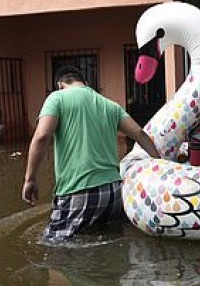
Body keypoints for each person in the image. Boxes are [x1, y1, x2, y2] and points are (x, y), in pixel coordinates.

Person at [22, 66, 160, 241]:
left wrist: (30, 179)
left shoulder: (56, 98)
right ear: (85, 83)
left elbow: (42, 137)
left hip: (78, 191)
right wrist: (159, 163)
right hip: (114, 194)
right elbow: (140, 134)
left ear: (60, 84)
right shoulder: (110, 105)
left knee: (51, 247)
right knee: (110, 242)